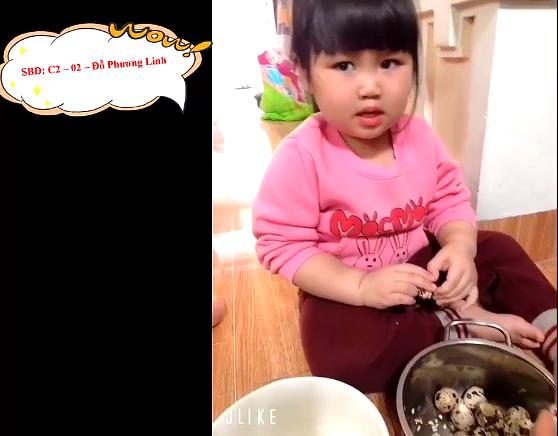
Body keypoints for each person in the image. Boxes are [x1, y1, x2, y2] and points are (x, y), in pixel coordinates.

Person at [251, 0, 557, 393]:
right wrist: (362, 287)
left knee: (500, 248)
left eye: (389, 62)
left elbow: (448, 200)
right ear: (305, 74)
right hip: (347, 283)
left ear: (413, 66)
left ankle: (549, 330)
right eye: (344, 66)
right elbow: (283, 246)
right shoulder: (301, 156)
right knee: (337, 356)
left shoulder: (419, 136)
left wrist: (460, 247)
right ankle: (462, 326)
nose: (370, 87)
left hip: (424, 267)